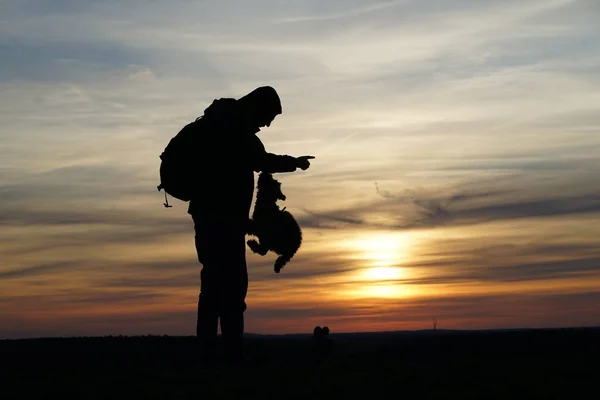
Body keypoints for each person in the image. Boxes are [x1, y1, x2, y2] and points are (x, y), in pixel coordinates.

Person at [189, 86, 314, 362]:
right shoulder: (237, 128)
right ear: (258, 107)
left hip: (208, 217)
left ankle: (206, 354)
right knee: (232, 291)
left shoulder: (222, 123)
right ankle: (230, 357)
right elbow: (262, 161)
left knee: (212, 286)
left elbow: (257, 161)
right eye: (269, 116)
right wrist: (294, 163)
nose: (268, 123)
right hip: (225, 220)